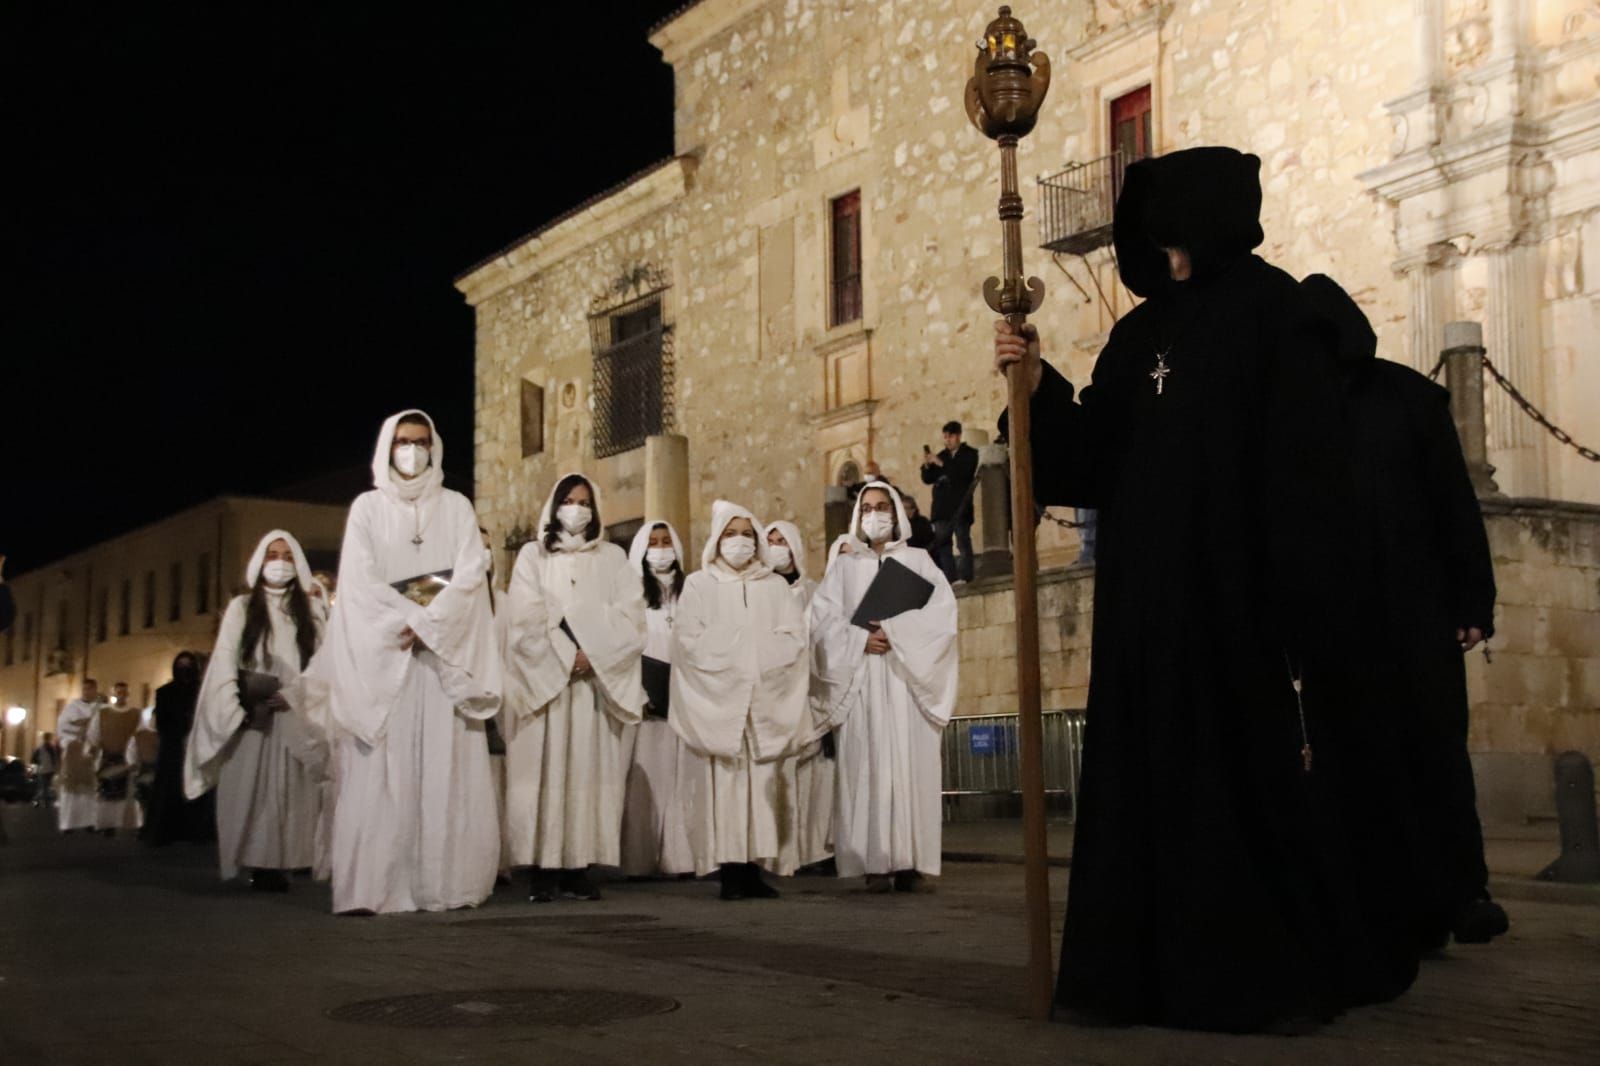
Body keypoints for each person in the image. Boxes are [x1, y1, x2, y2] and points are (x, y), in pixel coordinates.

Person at [993, 146, 1418, 1031]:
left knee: (1233, 779)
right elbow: (1092, 457)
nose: (1154, 230)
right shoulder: (1139, 334)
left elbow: (1307, 471)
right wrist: (1036, 386)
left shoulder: (1276, 314)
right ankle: (1133, 977)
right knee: (1145, 777)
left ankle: (1247, 980)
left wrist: (1301, 597)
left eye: (1168, 211)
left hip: (1238, 600)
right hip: (1145, 605)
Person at [1302, 273, 1507, 949]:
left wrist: (1472, 599)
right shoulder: (1298, 409)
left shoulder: (1406, 400)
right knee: (1387, 758)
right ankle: (1409, 900)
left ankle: (1455, 893)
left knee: (1425, 754)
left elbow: (1452, 505)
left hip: (1405, 614)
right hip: (1361, 619)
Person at [304, 409, 502, 915]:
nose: (411, 451)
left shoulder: (456, 506)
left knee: (444, 765)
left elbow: (469, 568)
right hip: (386, 657)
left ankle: (445, 883)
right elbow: (359, 582)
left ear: (434, 448)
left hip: (441, 660)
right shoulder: (368, 509)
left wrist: (426, 622)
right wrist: (409, 617)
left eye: (420, 441)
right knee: (381, 771)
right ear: (387, 448)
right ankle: (376, 886)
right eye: (402, 441)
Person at [501, 474, 646, 902]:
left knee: (587, 772)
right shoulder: (532, 556)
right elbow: (525, 616)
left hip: (591, 687)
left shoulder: (614, 559)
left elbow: (630, 618)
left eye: (584, 502)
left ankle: (579, 867)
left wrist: (592, 656)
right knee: (544, 774)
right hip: (548, 685)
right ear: (554, 506)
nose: (576, 509)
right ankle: (543, 869)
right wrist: (566, 657)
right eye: (568, 500)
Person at [811, 482, 958, 893]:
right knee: (866, 764)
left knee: (909, 764)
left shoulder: (919, 561)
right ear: (858, 516)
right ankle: (872, 861)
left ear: (896, 514)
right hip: (861, 680)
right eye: (868, 507)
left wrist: (894, 631)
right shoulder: (843, 568)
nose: (875, 514)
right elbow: (821, 625)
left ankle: (909, 861)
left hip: (904, 677)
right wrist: (861, 639)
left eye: (882, 506)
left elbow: (942, 618)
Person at [672, 501, 810, 900]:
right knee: (727, 790)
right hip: (720, 704)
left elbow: (793, 639)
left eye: (747, 534)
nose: (740, 542)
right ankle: (730, 868)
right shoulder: (700, 585)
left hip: (762, 703)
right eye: (731, 534)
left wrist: (758, 659)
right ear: (717, 539)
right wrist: (739, 653)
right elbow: (688, 641)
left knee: (762, 787)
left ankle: (753, 866)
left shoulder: (774, 587)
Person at [183, 532, 326, 889]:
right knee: (251, 789)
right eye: (272, 555)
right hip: (254, 714)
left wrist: (296, 693)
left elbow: (327, 660)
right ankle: (255, 861)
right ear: (260, 561)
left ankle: (286, 862)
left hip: (296, 711)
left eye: (287, 556)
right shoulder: (242, 608)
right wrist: (235, 706)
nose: (280, 563)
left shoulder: (312, 611)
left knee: (292, 791)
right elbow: (225, 659)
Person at [618, 519, 695, 878]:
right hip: (647, 696)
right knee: (649, 776)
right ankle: (640, 857)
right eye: (654, 542)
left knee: (683, 779)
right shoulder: (630, 592)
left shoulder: (691, 591)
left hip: (686, 695)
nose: (661, 548)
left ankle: (681, 858)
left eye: (667, 541)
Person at [767, 520, 833, 874]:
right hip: (773, 697)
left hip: (807, 695)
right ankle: (777, 854)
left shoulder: (814, 592)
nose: (777, 547)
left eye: (783, 541)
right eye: (771, 541)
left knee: (812, 780)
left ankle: (811, 852)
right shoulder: (758, 591)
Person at [145, 652, 211, 844]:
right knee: (169, 788)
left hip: (196, 746)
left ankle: (196, 830)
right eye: (181, 665)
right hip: (172, 749)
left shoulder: (201, 691)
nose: (185, 670)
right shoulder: (164, 692)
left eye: (188, 665)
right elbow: (162, 723)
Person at [920, 422, 979, 584]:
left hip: (960, 506)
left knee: (963, 541)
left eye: (950, 436)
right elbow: (927, 478)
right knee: (943, 545)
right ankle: (949, 579)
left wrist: (941, 464)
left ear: (958, 436)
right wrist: (927, 465)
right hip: (942, 508)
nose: (947, 441)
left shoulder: (970, 454)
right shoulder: (942, 455)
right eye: (945, 437)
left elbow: (964, 473)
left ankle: (966, 577)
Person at [87, 683, 143, 836]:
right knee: (106, 793)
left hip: (126, 758)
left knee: (126, 793)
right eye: (118, 692)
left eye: (124, 692)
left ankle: (122, 823)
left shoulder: (135, 714)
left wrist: (137, 757)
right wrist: (92, 752)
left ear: (127, 694)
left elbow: (140, 736)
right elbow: (94, 734)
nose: (121, 695)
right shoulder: (103, 713)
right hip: (107, 757)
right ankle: (106, 824)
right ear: (114, 694)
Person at [55, 679, 102, 833]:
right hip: (73, 750)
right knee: (70, 789)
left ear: (95, 690)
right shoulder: (72, 707)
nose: (87, 692)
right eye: (84, 689)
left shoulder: (101, 708)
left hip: (92, 752)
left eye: (90, 689)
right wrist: (80, 725)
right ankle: (68, 824)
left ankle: (90, 822)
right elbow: (63, 726)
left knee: (90, 789)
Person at [31, 732, 60, 807]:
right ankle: (44, 802)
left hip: (42, 769)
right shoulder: (51, 748)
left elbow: (33, 759)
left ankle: (39, 801)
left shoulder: (40, 748)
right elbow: (54, 759)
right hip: (50, 769)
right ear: (49, 738)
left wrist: (40, 762)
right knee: (46, 786)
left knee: (43, 786)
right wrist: (56, 767)